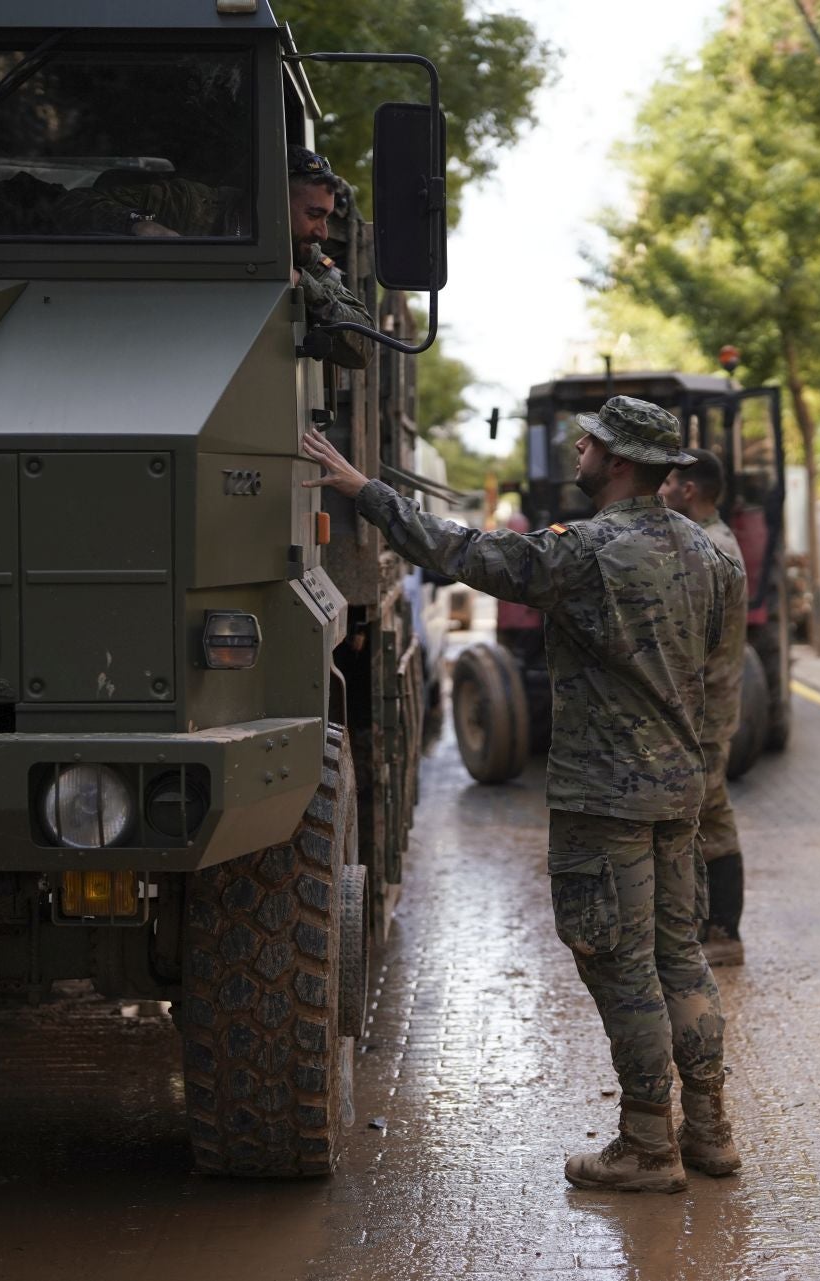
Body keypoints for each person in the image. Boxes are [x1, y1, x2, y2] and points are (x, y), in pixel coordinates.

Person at [301, 396, 743, 1193]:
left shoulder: (587, 552)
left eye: (593, 440)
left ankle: (648, 1144)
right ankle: (709, 1128)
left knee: (620, 963)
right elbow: (715, 664)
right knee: (681, 956)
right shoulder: (708, 553)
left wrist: (365, 489)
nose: (579, 446)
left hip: (604, 795)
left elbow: (467, 553)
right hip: (679, 790)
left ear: (618, 462)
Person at [53, 145, 370, 367]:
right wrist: (138, 226)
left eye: (326, 217)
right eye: (314, 214)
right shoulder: (187, 206)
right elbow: (72, 204)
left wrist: (303, 284)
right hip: (123, 345)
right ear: (273, 201)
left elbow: (364, 344)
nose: (323, 233)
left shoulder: (306, 256)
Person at [658, 448, 749, 968]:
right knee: (709, 809)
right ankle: (713, 927)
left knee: (711, 811)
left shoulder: (711, 549)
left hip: (709, 705)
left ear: (690, 490)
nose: (665, 489)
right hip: (709, 701)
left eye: (671, 481)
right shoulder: (709, 541)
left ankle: (723, 932)